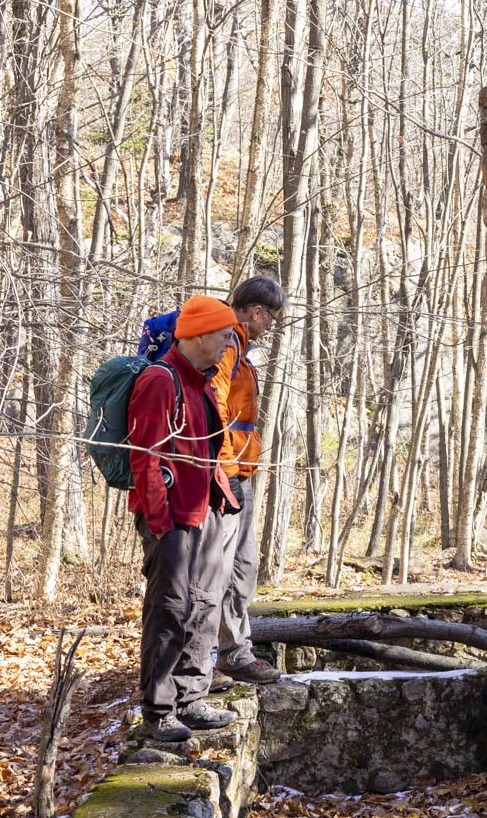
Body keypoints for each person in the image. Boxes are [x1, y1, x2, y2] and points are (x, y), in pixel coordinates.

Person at [129, 294, 243, 743]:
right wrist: (161, 523)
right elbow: (146, 457)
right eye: (222, 334)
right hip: (172, 516)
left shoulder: (203, 380)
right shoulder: (161, 379)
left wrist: (223, 502)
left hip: (207, 509)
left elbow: (212, 448)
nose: (228, 342)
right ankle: (158, 711)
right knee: (169, 610)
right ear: (196, 335)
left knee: (205, 605)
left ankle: (190, 698)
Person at [210, 276, 287, 685]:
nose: (272, 326)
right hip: (229, 473)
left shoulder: (240, 347)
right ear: (257, 312)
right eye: (272, 317)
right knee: (223, 569)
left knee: (243, 566)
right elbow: (214, 404)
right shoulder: (225, 345)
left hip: (241, 470)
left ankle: (235, 653)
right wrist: (223, 469)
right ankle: (222, 657)